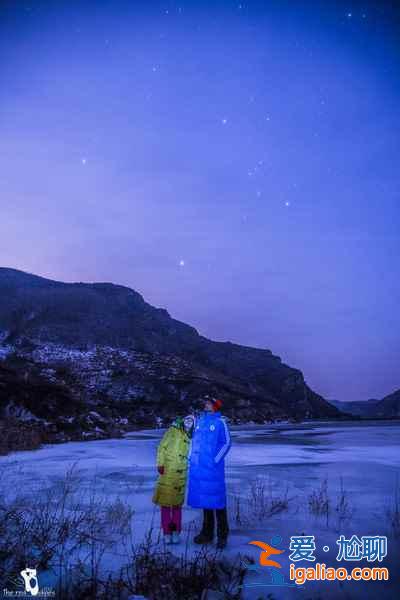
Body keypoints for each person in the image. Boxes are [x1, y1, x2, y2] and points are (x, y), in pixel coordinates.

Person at [187, 396, 231, 549]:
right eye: (205, 403)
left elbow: (226, 443)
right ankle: (206, 534)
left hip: (213, 470)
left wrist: (215, 460)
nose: (206, 404)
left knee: (218, 502)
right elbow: (194, 441)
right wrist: (190, 457)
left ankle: (222, 536)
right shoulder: (199, 422)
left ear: (215, 406)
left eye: (209, 403)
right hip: (200, 468)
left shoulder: (220, 422)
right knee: (206, 502)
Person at [152, 415, 194, 544]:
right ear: (183, 421)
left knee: (176, 506)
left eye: (191, 421)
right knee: (165, 505)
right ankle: (166, 533)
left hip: (181, 474)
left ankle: (175, 532)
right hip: (168, 471)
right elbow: (161, 447)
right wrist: (160, 463)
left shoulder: (193, 437)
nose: (188, 422)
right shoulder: (172, 431)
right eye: (187, 419)